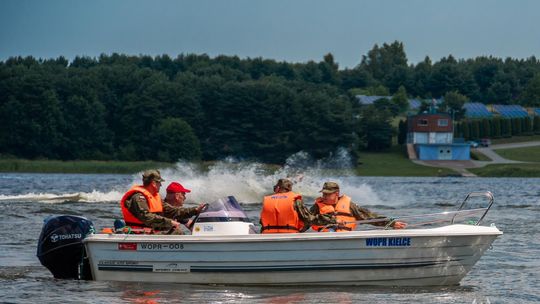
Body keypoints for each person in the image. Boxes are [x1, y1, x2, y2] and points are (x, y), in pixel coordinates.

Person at [311, 182, 407, 232]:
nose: (324, 196)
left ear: (337, 193)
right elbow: (305, 219)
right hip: (325, 238)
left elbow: (369, 217)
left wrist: (391, 223)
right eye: (324, 194)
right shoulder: (317, 206)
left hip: (345, 239)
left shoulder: (350, 205)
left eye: (328, 194)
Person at [260, 178, 335, 233]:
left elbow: (262, 221)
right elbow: (308, 218)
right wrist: (328, 219)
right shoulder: (295, 200)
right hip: (290, 235)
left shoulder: (267, 200)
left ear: (278, 188)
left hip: (268, 235)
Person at [120, 170, 183, 234]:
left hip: (150, 233)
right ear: (153, 183)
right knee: (177, 232)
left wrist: (193, 210)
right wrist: (169, 222)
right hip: (138, 234)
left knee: (175, 230)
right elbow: (146, 217)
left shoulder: (155, 197)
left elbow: (171, 210)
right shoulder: (138, 197)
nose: (161, 185)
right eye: (159, 182)